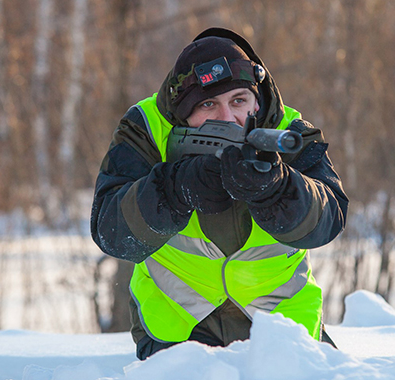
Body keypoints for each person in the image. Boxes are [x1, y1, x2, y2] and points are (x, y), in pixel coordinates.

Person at [90, 27, 349, 360]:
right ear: (182, 113)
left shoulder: (289, 131)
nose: (228, 118)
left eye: (239, 100)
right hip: (177, 328)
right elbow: (111, 232)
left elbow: (330, 220)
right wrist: (175, 189)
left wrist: (278, 190)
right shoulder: (147, 129)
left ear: (257, 101)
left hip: (285, 328)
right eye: (209, 104)